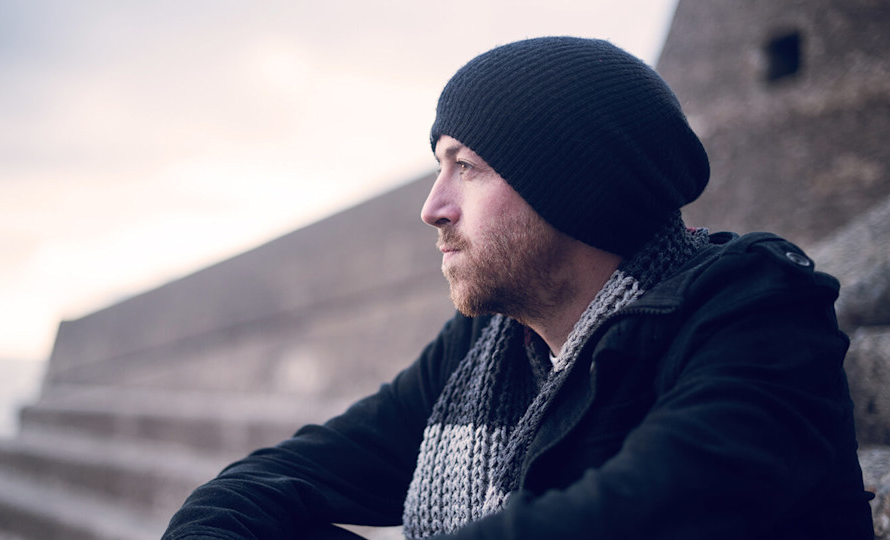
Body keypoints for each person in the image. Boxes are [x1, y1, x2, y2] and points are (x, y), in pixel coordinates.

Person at [163, 36, 874, 539]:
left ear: (572, 185)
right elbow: (275, 481)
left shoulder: (754, 311)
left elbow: (647, 514)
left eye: (466, 166)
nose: (433, 207)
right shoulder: (488, 345)